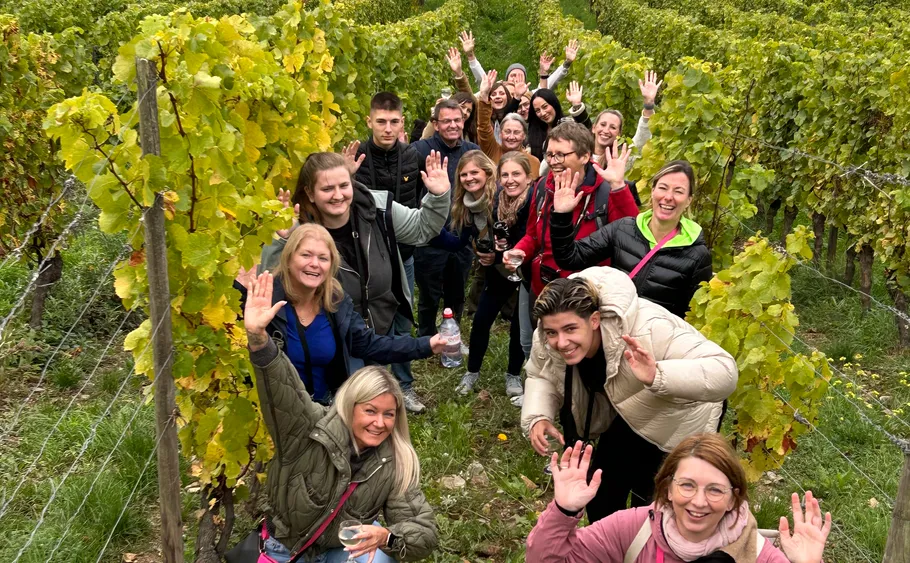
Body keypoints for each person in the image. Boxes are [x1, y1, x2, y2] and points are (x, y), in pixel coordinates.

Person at [243, 269, 441, 563]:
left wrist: (387, 537)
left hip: (341, 550)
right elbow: (283, 388)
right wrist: (259, 339)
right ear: (350, 407)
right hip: (284, 549)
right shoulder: (311, 428)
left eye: (389, 414)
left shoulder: (394, 459)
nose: (379, 423)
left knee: (378, 559)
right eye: (370, 411)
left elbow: (425, 531)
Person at [521, 270, 738, 523]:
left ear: (594, 320)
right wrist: (539, 415)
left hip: (678, 419)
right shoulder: (548, 332)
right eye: (552, 333)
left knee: (655, 510)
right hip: (628, 412)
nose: (561, 342)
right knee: (601, 496)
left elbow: (724, 371)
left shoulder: (649, 327)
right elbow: (541, 373)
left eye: (571, 329)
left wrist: (658, 375)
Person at [262, 151, 452, 412]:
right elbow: (270, 281)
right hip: (335, 336)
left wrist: (438, 197)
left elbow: (422, 228)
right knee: (349, 403)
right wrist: (281, 240)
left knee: (371, 397)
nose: (338, 195)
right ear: (309, 193)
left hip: (381, 326)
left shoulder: (378, 208)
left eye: (344, 185)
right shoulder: (298, 229)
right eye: (327, 188)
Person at [527, 434, 831, 563]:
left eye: (715, 490)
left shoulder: (755, 553)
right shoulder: (633, 529)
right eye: (687, 485)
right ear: (668, 489)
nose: (698, 501)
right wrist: (563, 511)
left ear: (733, 499)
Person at [244, 225, 447, 405]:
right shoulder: (265, 302)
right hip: (277, 410)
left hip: (323, 409)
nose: (314, 263)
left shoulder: (335, 302)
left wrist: (426, 345)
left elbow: (369, 344)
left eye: (323, 258)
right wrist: (255, 335)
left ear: (331, 266)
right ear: (288, 259)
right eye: (305, 255)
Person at [550, 160, 712, 319]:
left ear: (689, 200)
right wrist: (562, 215)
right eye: (663, 188)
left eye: (678, 191)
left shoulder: (697, 254)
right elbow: (569, 258)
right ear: (653, 191)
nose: (668, 197)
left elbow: (690, 317)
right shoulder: (623, 229)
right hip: (613, 327)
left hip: (653, 335)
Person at [503, 122, 639, 300]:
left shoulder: (606, 193)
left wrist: (618, 187)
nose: (553, 161)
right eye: (550, 154)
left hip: (585, 296)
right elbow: (533, 235)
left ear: (584, 156)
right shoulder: (543, 186)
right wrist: (520, 250)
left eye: (560, 155)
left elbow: (632, 240)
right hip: (543, 288)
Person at [455, 152, 534, 400]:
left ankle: (513, 375)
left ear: (528, 177)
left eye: (516, 174)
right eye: (505, 175)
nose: (510, 180)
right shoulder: (497, 201)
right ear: (498, 178)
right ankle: (472, 372)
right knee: (481, 320)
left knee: (519, 325)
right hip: (501, 270)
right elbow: (489, 239)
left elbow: (532, 237)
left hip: (527, 271)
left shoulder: (534, 201)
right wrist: (490, 256)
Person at [411, 100, 481, 338]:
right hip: (430, 238)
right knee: (429, 296)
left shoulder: (472, 151)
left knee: (457, 294)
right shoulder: (421, 150)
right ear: (436, 124)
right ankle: (426, 339)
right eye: (446, 121)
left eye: (457, 120)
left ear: (463, 122)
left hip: (461, 237)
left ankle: (452, 337)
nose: (453, 125)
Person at [349, 92, 423, 308]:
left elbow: (418, 195)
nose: (388, 129)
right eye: (381, 122)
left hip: (404, 253)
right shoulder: (356, 158)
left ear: (402, 122)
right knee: (372, 314)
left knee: (404, 311)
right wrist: (346, 177)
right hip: (367, 256)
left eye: (394, 122)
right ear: (369, 122)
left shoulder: (412, 156)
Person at [591, 71, 662, 175]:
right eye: (603, 124)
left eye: (613, 127)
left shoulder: (622, 158)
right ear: (593, 128)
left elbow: (641, 138)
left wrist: (649, 104)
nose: (606, 130)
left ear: (619, 134)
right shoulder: (581, 155)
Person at [476, 69, 541, 178]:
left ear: (524, 135)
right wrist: (484, 95)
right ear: (500, 134)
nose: (511, 137)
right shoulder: (492, 151)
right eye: (507, 132)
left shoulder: (534, 162)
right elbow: (483, 128)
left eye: (516, 132)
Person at [528, 83, 591, 161]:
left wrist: (577, 105)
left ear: (554, 103)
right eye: (537, 110)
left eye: (545, 107)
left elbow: (587, 134)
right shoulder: (532, 133)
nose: (543, 113)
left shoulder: (567, 125)